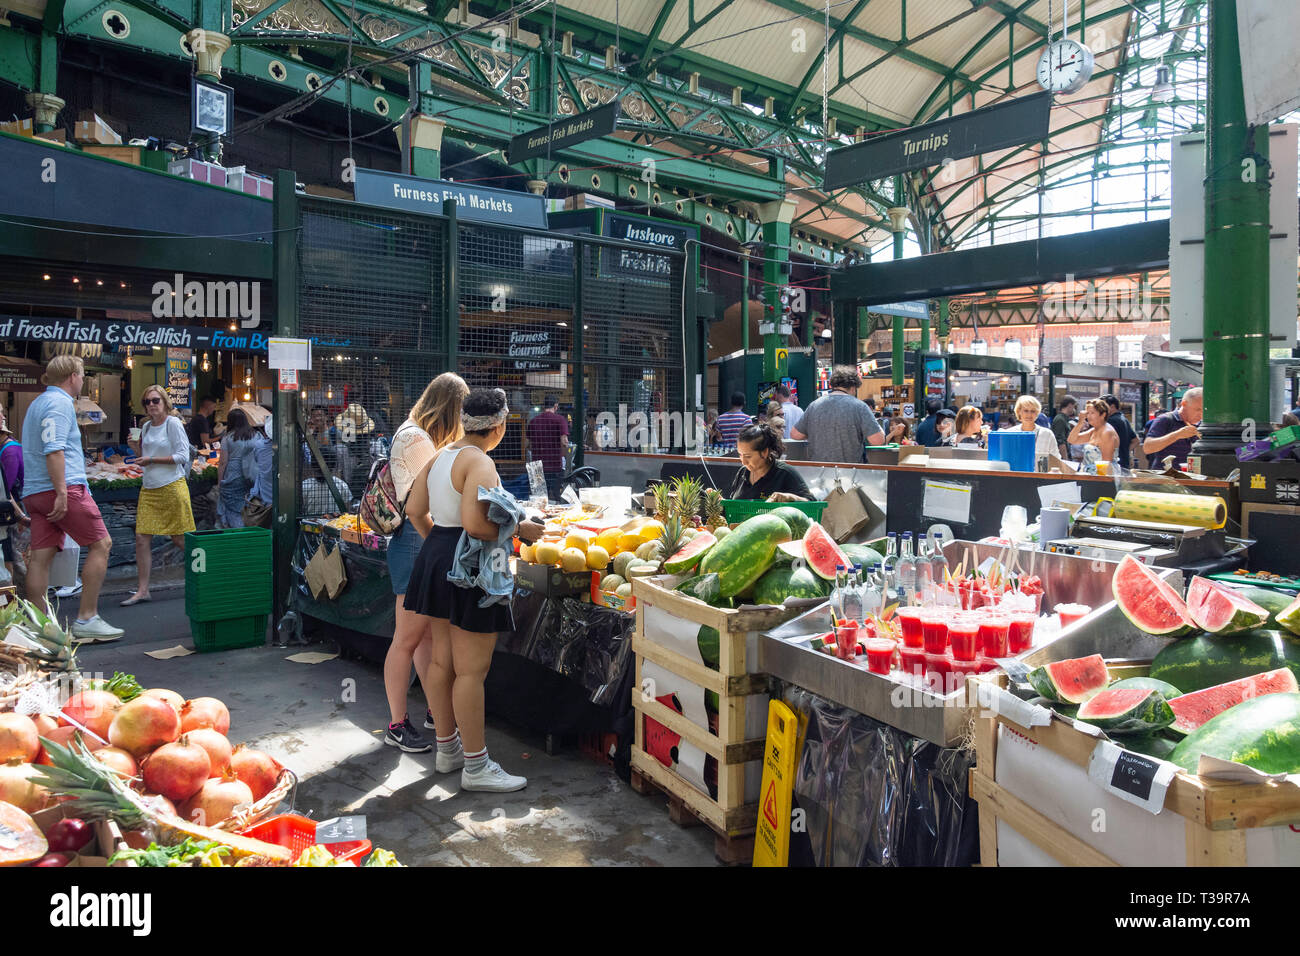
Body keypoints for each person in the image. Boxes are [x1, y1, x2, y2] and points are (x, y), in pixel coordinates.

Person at [404, 388, 545, 792]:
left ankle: (447, 750)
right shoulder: (479, 462)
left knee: (441, 663)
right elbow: (476, 526)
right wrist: (520, 528)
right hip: (469, 570)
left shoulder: (440, 455)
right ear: (499, 427)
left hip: (437, 558)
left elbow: (415, 510)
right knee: (471, 671)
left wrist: (440, 548)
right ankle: (476, 766)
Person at [382, 372, 469, 754]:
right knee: (406, 638)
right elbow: (422, 505)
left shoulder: (414, 432)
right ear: (450, 408)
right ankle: (397, 723)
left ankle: (434, 711)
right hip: (416, 542)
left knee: (426, 636)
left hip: (417, 542)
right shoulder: (417, 438)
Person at [20, 356, 122, 639]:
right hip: (62, 488)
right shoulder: (60, 403)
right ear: (72, 376)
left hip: (35, 492)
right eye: (82, 374)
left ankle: (41, 627)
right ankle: (87, 618)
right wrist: (63, 491)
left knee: (40, 557)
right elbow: (54, 450)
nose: (82, 379)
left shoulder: (36, 404)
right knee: (102, 544)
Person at [118, 385, 196, 606]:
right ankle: (143, 590)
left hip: (172, 485)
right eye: (147, 402)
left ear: (164, 402)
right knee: (142, 538)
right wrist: (135, 449)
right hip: (150, 487)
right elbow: (145, 457)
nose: (151, 405)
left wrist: (151, 460)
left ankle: (206, 573)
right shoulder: (146, 427)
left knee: (180, 538)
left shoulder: (172, 423)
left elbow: (182, 455)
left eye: (155, 400)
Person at [792, 366, 884, 462]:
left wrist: (817, 432)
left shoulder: (814, 405)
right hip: (850, 472)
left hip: (818, 471)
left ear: (833, 385)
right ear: (853, 387)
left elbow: (795, 434)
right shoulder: (860, 407)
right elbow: (877, 441)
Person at [727, 422, 811, 500]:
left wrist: (791, 497)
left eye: (748, 456)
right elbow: (731, 504)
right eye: (740, 455)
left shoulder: (785, 473)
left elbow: (811, 503)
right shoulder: (743, 472)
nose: (743, 462)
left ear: (764, 452)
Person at [216, 408, 260, 527]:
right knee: (248, 503)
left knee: (233, 508)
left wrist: (219, 482)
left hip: (233, 474)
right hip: (252, 474)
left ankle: (238, 532)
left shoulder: (228, 438)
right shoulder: (256, 435)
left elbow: (223, 463)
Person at [1143, 387, 1203, 470]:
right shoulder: (1165, 419)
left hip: (1191, 478)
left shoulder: (1202, 426)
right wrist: (1177, 435)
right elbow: (1147, 448)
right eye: (1198, 409)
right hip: (1165, 478)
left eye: (1203, 410)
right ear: (1184, 404)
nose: (1201, 415)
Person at [0, 412, 27, 587]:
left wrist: (21, 517)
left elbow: (6, 487)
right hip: (13, 509)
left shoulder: (9, 452)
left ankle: (25, 601)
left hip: (16, 509)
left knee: (18, 558)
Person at [525, 395, 570, 499]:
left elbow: (527, 444)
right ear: (556, 406)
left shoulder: (533, 421)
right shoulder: (560, 420)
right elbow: (564, 442)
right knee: (555, 498)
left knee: (539, 499)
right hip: (555, 466)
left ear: (542, 407)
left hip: (537, 467)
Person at [300, 445, 351, 514]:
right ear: (333, 466)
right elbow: (347, 511)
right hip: (335, 524)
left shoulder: (304, 486)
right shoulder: (342, 485)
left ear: (313, 465)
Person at [1009, 395, 1058, 465]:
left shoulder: (1047, 434)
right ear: (1019, 412)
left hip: (1040, 475)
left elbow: (1056, 460)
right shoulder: (1010, 433)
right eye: (1026, 410)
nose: (1029, 414)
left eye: (1033, 411)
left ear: (1037, 413)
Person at [1069, 398, 1120, 465]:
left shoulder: (1107, 432)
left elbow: (1106, 464)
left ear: (1103, 415)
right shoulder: (1094, 430)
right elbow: (1071, 440)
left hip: (1101, 473)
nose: (1089, 416)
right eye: (1088, 413)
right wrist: (1080, 423)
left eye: (1092, 413)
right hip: (1091, 473)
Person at [1103, 394, 1139, 470]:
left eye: (1103, 407)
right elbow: (1136, 441)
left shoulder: (1111, 421)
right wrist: (1125, 452)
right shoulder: (1124, 419)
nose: (1101, 410)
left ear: (1112, 406)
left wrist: (1118, 453)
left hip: (1114, 465)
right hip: (1124, 463)